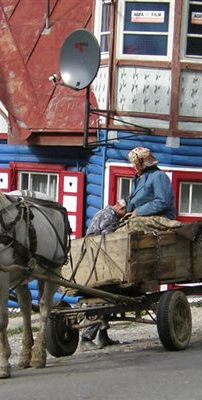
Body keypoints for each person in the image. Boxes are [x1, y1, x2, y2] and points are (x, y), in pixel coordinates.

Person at [80, 200, 127, 350]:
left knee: (107, 296)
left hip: (94, 256)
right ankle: (86, 339)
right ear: (120, 207)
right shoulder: (109, 217)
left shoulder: (103, 213)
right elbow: (110, 240)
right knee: (101, 298)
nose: (124, 215)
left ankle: (103, 336)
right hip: (98, 259)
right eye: (124, 211)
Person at [127, 147, 176, 220]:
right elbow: (133, 201)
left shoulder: (158, 176)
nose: (134, 166)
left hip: (159, 219)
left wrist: (139, 211)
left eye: (135, 162)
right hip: (138, 218)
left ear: (142, 162)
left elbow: (163, 201)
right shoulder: (138, 179)